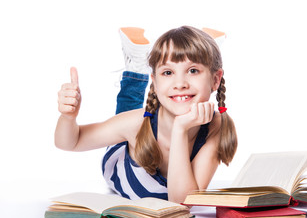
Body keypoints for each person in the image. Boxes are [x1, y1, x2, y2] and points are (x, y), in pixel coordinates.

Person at [55, 26, 238, 203]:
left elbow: (182, 201)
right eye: (168, 72)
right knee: (128, 108)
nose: (180, 83)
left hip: (159, 121)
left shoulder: (216, 127)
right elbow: (72, 142)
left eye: (193, 70)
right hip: (124, 156)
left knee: (145, 108)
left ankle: (203, 50)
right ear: (155, 83)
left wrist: (180, 130)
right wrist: (68, 117)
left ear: (216, 80)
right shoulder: (135, 123)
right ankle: (136, 68)